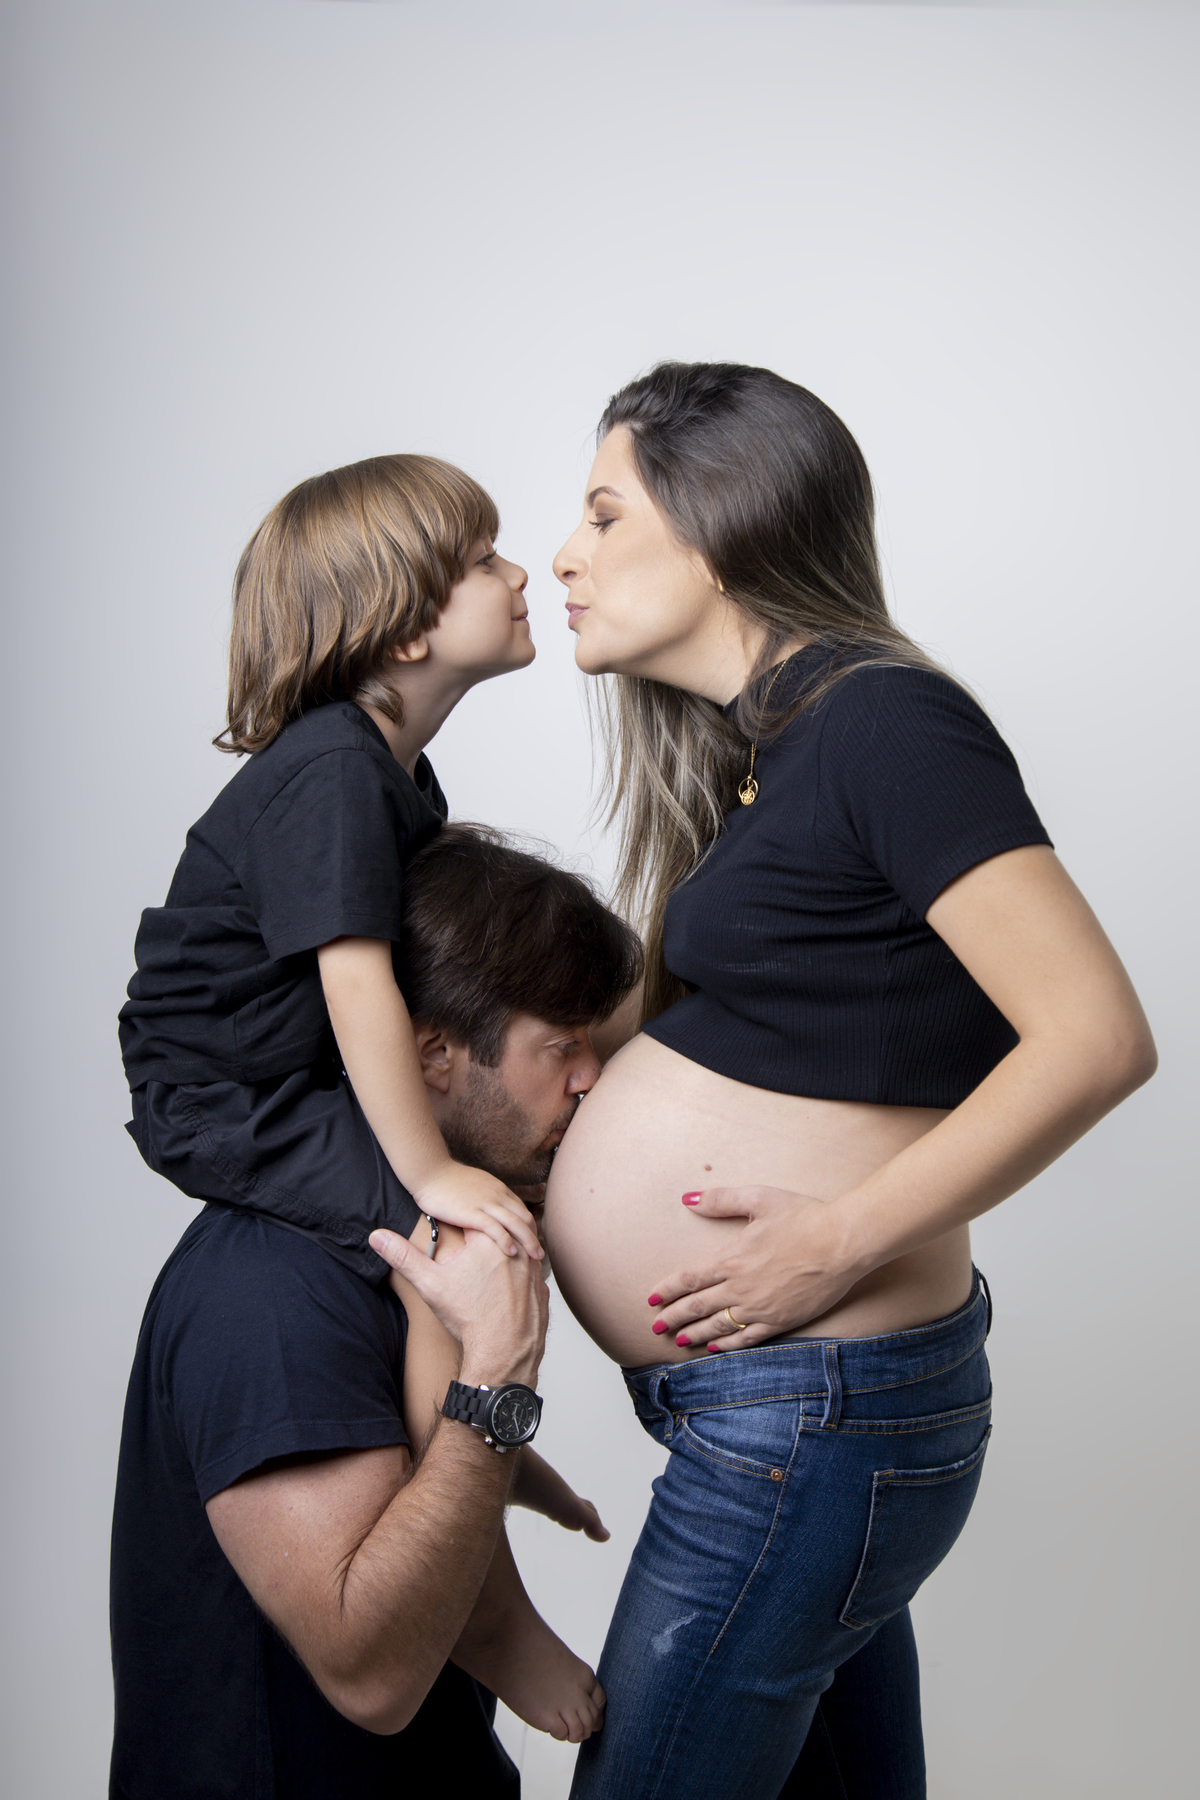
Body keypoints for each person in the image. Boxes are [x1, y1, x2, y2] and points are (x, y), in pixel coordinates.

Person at [543, 361, 1157, 1799]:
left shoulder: (886, 722)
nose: (562, 555)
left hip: (813, 1410)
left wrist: (833, 1237)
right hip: (782, 1414)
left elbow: (1095, 1036)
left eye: (601, 512)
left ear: (721, 516)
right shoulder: (770, 750)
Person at [109, 824, 643, 1799]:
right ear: (433, 1056)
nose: (590, 1077)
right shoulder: (271, 1291)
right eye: (559, 1044)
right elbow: (374, 1676)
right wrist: (499, 1380)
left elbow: (408, 1460)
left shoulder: (412, 1231)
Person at [118, 452, 547, 1284]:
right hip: (229, 1103)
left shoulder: (392, 772)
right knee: (448, 1242)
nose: (519, 570)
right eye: (484, 562)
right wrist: (430, 1177)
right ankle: (441, 1419)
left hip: (294, 1080)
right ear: (404, 629)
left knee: (499, 1197)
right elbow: (357, 988)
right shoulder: (336, 774)